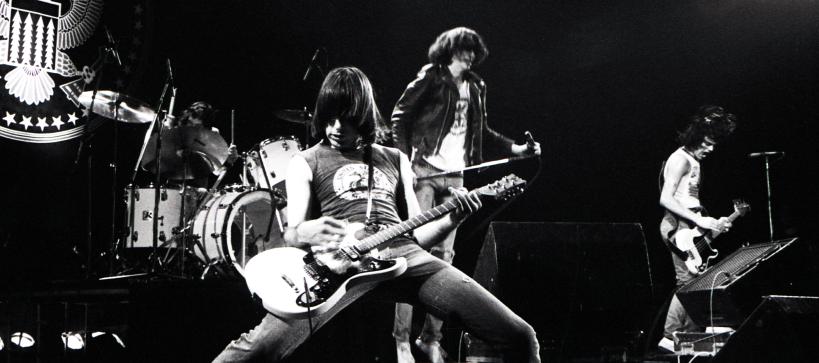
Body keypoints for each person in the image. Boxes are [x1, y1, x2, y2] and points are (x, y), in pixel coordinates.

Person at [212, 67, 541, 362]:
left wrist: (453, 218)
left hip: (405, 257)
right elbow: (292, 233)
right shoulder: (306, 161)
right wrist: (307, 231)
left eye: (346, 118)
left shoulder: (395, 159)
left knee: (520, 336)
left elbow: (417, 236)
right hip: (340, 267)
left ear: (363, 115)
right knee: (257, 349)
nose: (336, 127)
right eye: (329, 117)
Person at [390, 26, 541, 362]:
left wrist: (515, 149)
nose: (470, 56)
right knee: (412, 254)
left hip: (456, 176)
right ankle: (401, 340)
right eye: (464, 50)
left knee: (444, 257)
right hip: (424, 171)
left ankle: (430, 339)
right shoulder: (431, 76)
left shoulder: (476, 85)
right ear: (450, 50)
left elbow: (480, 130)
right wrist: (403, 160)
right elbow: (400, 115)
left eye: (474, 51)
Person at [656, 105, 737, 352]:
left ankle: (688, 336)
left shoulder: (692, 160)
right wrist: (699, 221)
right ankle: (670, 337)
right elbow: (666, 199)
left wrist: (711, 223)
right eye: (708, 143)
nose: (711, 149)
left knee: (697, 280)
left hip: (689, 224)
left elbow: (689, 200)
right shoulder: (680, 159)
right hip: (677, 225)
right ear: (696, 137)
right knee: (688, 281)